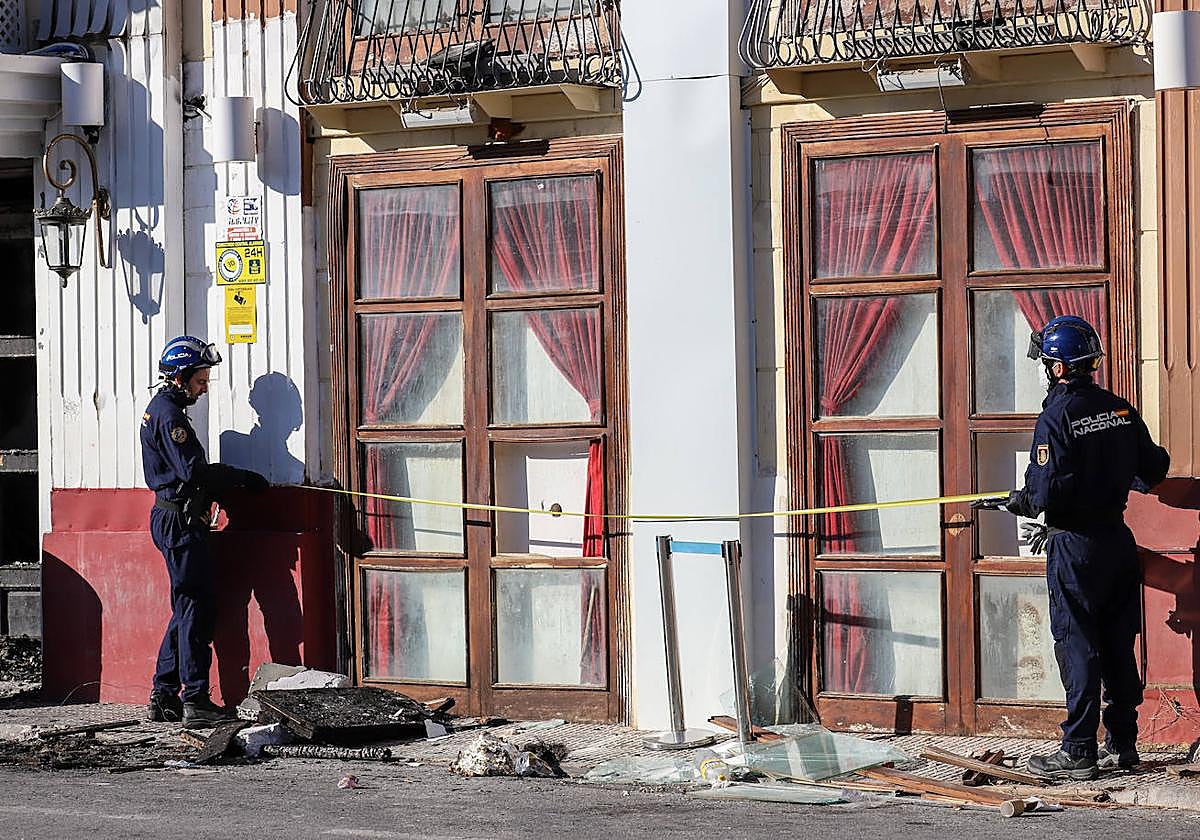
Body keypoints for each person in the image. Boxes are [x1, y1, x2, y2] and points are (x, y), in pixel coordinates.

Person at [974, 315, 1169, 781]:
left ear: (1059, 368)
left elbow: (1043, 494)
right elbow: (1155, 469)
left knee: (1077, 644)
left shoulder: (1056, 415)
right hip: (1117, 542)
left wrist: (1012, 502)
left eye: (1046, 363)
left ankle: (1079, 749)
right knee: (1119, 643)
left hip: (1075, 548)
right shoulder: (1120, 408)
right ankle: (1123, 744)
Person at [141, 336, 269, 727]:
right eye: (200, 379)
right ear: (180, 377)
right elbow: (194, 472)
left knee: (186, 608)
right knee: (195, 609)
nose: (205, 386)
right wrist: (240, 477)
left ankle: (165, 694)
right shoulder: (170, 417)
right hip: (178, 522)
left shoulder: (166, 409)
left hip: (177, 518)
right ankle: (194, 698)